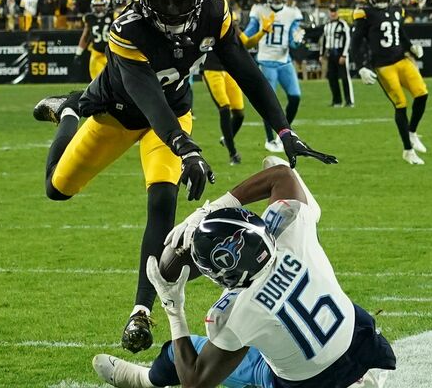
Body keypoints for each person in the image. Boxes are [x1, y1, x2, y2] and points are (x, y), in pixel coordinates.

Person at [31, 0, 337, 355]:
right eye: (164, 0)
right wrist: (186, 148)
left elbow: (243, 67)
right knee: (58, 188)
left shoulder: (213, 8)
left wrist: (284, 130)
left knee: (163, 198)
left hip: (173, 113)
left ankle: (140, 311)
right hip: (119, 114)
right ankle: (67, 109)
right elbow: (148, 99)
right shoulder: (127, 29)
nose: (174, 9)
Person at [91, 156, 395, 388]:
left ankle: (145, 379)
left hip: (310, 383)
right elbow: (280, 174)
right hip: (367, 348)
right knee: (268, 335)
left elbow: (195, 381)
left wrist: (174, 309)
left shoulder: (237, 313)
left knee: (184, 353)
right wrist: (209, 211)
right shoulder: (291, 230)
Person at [353, 0, 429, 165]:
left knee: (422, 94)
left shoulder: (396, 10)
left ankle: (412, 132)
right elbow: (356, 43)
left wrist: (411, 47)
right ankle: (408, 151)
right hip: (383, 66)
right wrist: (361, 67)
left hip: (402, 60)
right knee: (401, 103)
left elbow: (400, 34)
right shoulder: (365, 13)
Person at [204, 2, 275, 165]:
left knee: (239, 113)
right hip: (212, 70)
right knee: (224, 108)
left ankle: (226, 138)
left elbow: (247, 43)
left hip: (229, 71)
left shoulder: (232, 27)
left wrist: (263, 31)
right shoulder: (206, 26)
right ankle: (232, 152)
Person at [245, 0, 305, 153]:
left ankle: (283, 132)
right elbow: (249, 33)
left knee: (295, 96)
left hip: (284, 61)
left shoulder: (292, 13)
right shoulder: (259, 10)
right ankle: (269, 138)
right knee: (268, 101)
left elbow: (293, 41)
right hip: (265, 60)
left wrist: (297, 40)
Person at [321, 4, 353, 108]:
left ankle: (349, 101)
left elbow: (348, 39)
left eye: (334, 11)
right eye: (331, 11)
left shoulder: (343, 24)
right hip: (330, 54)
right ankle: (337, 101)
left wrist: (344, 55)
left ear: (337, 12)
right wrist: (322, 54)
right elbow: (324, 40)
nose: (333, 13)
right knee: (332, 78)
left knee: (345, 78)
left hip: (340, 53)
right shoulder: (327, 25)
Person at [75, 0, 112, 81]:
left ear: (105, 5)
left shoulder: (112, 15)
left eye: (101, 5)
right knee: (97, 82)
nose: (99, 8)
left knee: (114, 81)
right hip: (96, 54)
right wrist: (78, 52)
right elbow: (85, 36)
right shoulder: (89, 18)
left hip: (111, 54)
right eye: (96, 5)